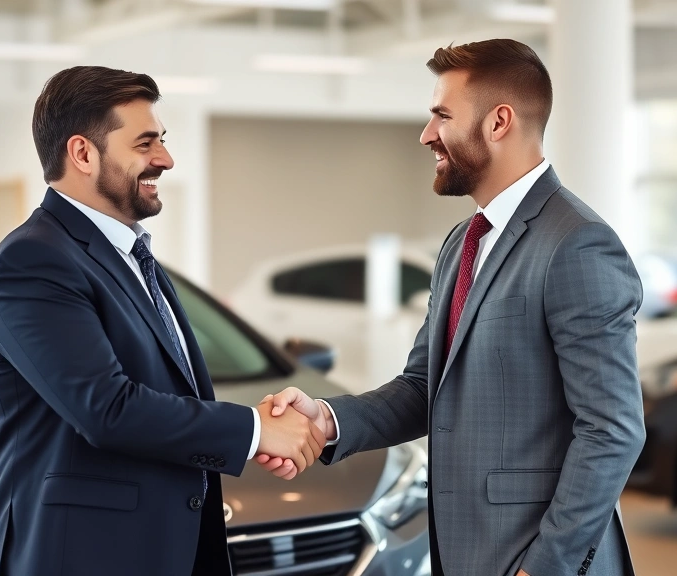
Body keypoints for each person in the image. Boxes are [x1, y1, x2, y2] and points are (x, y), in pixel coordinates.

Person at [258, 39, 646, 576]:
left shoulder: (576, 245)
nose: (426, 134)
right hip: (464, 553)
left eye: (442, 114)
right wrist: (326, 419)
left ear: (499, 122)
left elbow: (612, 430)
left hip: (532, 561)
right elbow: (422, 387)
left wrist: (545, 567)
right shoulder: (463, 241)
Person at [0, 66, 326, 576]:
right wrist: (253, 430)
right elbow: (106, 407)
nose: (165, 158)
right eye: (145, 143)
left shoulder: (131, 254)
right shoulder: (32, 262)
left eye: (162, 139)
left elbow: (170, 391)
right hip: (85, 558)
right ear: (83, 153)